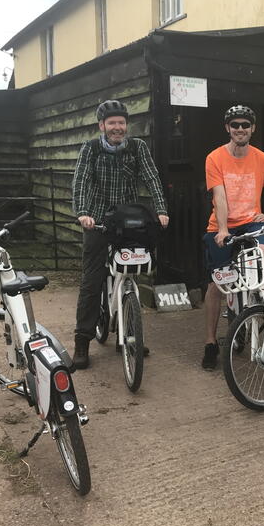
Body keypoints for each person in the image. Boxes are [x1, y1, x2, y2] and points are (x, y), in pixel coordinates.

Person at [71, 99, 169, 369]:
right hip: (98, 221)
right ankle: (82, 341)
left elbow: (152, 178)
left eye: (121, 122)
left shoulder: (137, 148)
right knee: (92, 281)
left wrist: (161, 210)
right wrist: (82, 213)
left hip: (127, 221)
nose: (117, 127)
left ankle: (130, 332)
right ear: (102, 125)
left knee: (132, 272)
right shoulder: (90, 149)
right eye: (112, 123)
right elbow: (80, 180)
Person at [201, 105, 264, 370]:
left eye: (245, 125)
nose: (240, 129)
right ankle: (211, 342)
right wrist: (224, 229)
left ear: (253, 129)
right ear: (227, 128)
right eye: (235, 125)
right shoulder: (214, 158)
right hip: (222, 226)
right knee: (218, 285)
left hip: (252, 224)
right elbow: (220, 196)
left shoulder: (262, 159)